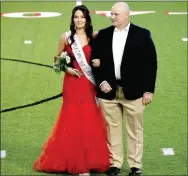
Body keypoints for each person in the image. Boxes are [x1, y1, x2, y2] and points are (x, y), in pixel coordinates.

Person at [33, 5, 110, 175]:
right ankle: (76, 163)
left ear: (87, 19)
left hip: (89, 85)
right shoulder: (65, 38)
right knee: (73, 120)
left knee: (89, 120)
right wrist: (67, 69)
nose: (79, 20)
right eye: (76, 17)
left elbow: (102, 56)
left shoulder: (93, 36)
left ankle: (90, 161)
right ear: (72, 19)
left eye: (82, 17)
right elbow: (57, 61)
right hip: (72, 84)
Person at [91, 2, 157, 176]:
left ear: (127, 14)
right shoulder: (103, 35)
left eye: (116, 14)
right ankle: (115, 164)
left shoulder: (142, 35)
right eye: (111, 14)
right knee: (112, 128)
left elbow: (151, 64)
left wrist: (149, 90)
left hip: (134, 92)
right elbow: (94, 62)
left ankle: (136, 166)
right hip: (108, 92)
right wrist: (101, 81)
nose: (112, 17)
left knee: (135, 129)